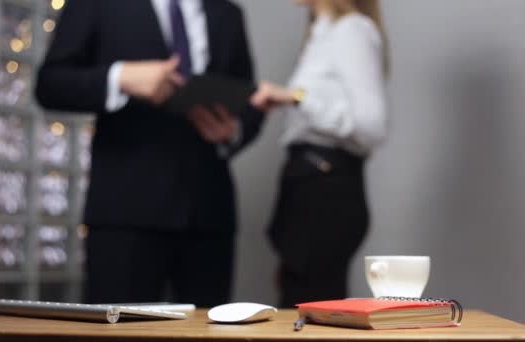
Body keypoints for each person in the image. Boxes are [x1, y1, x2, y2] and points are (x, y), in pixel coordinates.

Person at [35, 0, 263, 307]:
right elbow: (50, 84)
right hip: (126, 209)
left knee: (211, 329)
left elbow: (247, 99)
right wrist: (119, 77)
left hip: (208, 211)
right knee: (119, 330)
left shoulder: (227, 13)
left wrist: (233, 130)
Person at [250, 0, 389, 307]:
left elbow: (371, 127)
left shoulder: (351, 31)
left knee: (312, 308)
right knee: (301, 302)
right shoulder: (322, 33)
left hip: (325, 190)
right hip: (308, 185)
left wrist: (298, 98)